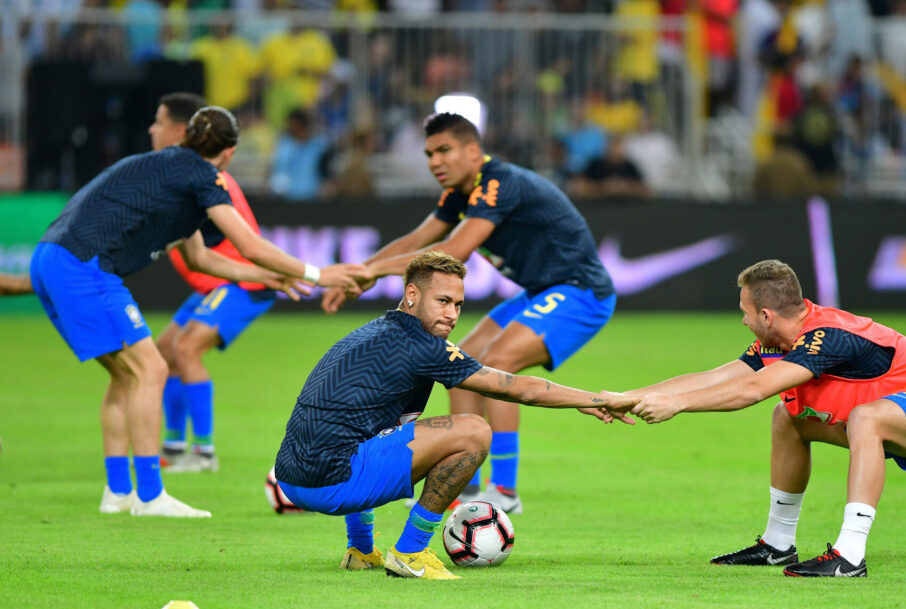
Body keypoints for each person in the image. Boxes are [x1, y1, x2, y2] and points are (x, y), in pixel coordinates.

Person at [30, 105, 367, 518]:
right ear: (228, 153)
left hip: (50, 258)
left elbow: (202, 260)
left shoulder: (165, 170)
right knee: (152, 369)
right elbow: (250, 243)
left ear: (186, 135)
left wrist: (269, 276)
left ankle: (118, 492)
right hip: (85, 266)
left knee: (126, 376)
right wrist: (319, 273)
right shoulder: (203, 175)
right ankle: (151, 497)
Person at [322, 112, 617, 515]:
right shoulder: (460, 194)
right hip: (539, 292)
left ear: (473, 150)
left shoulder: (499, 182)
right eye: (429, 153)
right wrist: (363, 273)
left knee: (498, 363)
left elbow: (454, 251)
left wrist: (369, 271)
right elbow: (417, 239)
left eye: (444, 150)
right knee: (458, 367)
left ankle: (505, 492)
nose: (434, 161)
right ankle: (467, 483)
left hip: (581, 291)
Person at [276, 252, 635, 580]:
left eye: (459, 305)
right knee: (473, 431)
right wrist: (591, 399)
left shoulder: (370, 333)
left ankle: (361, 551)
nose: (451, 314)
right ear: (412, 295)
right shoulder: (422, 345)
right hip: (331, 483)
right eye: (443, 301)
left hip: (290, 480)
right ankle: (411, 552)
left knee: (375, 433)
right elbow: (515, 387)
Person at [616, 259, 906, 577]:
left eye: (745, 311)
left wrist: (677, 405)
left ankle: (850, 556)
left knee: (865, 418)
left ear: (766, 316)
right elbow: (713, 378)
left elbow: (750, 391)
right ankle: (777, 545)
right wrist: (628, 397)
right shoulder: (780, 340)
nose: (743, 320)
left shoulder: (827, 336)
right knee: (786, 415)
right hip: (895, 413)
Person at [147, 93, 273, 473]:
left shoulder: (208, 180)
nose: (152, 128)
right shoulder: (177, 173)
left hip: (241, 283)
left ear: (179, 131)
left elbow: (246, 245)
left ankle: (203, 454)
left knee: (185, 349)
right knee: (165, 349)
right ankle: (173, 447)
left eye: (158, 120)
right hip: (214, 284)